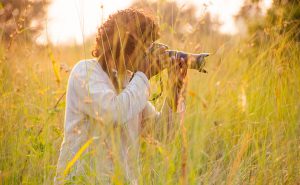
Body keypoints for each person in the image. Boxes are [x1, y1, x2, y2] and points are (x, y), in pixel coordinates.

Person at [54, 8, 188, 184]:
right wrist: (143, 75)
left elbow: (163, 134)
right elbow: (113, 113)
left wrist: (175, 86)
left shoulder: (128, 82)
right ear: (125, 46)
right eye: (145, 49)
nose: (149, 56)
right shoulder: (85, 72)